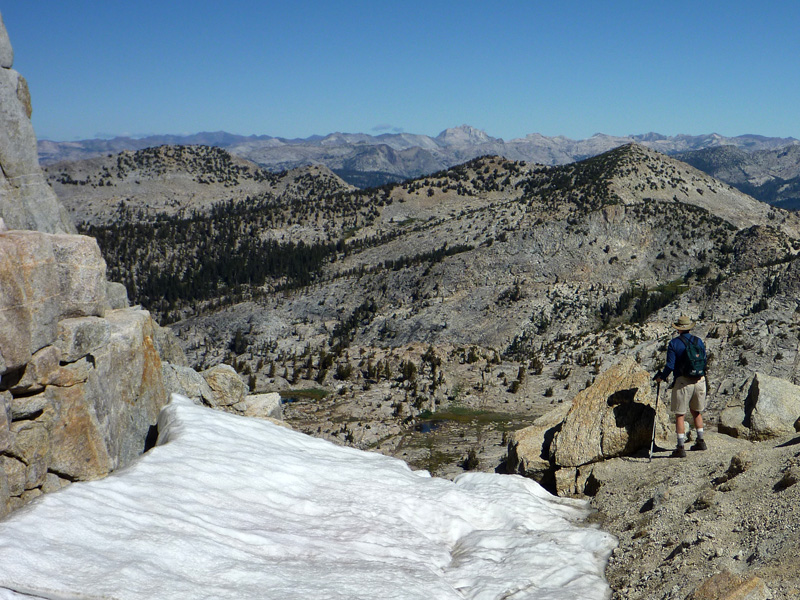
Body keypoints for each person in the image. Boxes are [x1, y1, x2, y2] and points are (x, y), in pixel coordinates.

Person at [654, 315, 707, 458]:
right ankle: (701, 441)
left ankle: (680, 446)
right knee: (697, 411)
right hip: (700, 380)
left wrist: (662, 377)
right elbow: (704, 360)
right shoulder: (698, 341)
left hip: (683, 381)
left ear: (678, 329)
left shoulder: (674, 344)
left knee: (680, 414)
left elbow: (670, 365)